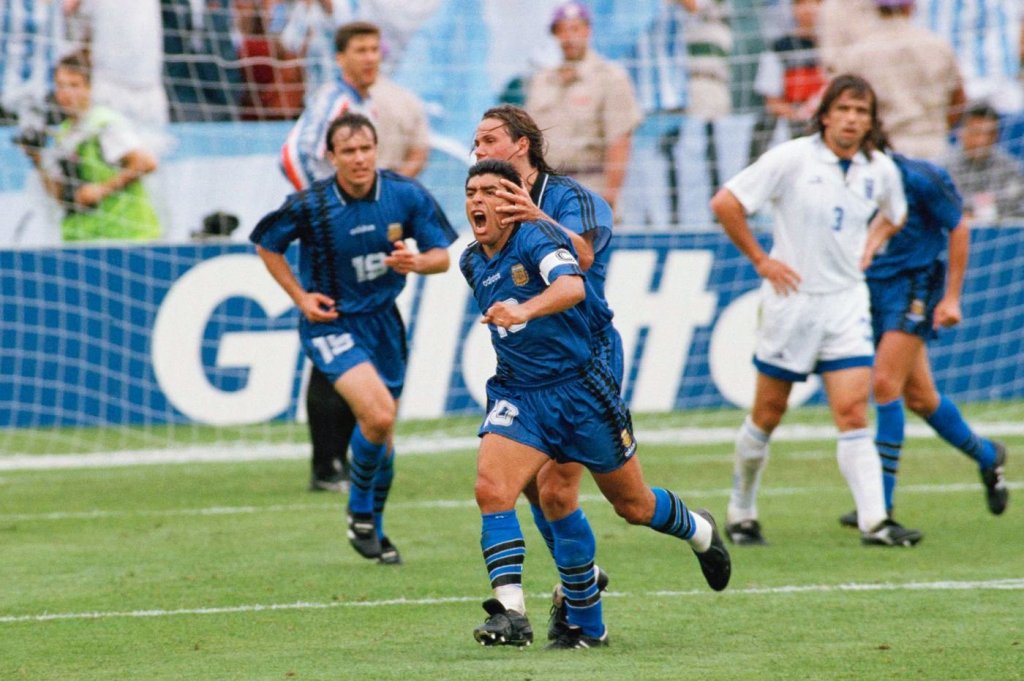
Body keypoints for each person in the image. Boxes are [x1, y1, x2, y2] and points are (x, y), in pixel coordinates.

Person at [461, 158, 731, 650]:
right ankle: (512, 612)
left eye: (490, 191)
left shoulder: (537, 239)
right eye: (471, 192)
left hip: (581, 393)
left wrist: (524, 309)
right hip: (519, 392)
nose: (478, 200)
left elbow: (571, 286)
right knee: (492, 489)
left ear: (515, 200)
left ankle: (697, 529)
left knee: (633, 505)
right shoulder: (471, 260)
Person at [709, 74, 921, 548]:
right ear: (825, 115)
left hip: (846, 302)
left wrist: (872, 244)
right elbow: (725, 203)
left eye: (861, 112)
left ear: (871, 121)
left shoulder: (880, 169)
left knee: (852, 412)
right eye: (843, 109)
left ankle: (875, 522)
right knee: (768, 413)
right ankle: (741, 510)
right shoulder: (792, 158)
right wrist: (761, 260)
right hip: (793, 302)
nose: (851, 119)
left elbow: (896, 213)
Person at [250, 112, 457, 563]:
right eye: (348, 151)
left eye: (365, 149)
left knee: (383, 437)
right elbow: (267, 244)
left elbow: (442, 256)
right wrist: (300, 297)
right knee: (379, 416)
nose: (359, 158)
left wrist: (417, 262)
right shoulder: (311, 204)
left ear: (376, 150)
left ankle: (373, 529)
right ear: (332, 157)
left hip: (384, 323)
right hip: (332, 322)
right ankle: (360, 511)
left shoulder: (404, 194)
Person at [473, 103, 620, 644]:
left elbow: (582, 261)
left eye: (489, 140)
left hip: (586, 358)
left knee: (566, 490)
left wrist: (536, 218)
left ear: (522, 144)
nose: (479, 150)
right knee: (532, 490)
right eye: (476, 143)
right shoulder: (488, 203)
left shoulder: (570, 199)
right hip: (532, 369)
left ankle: (691, 531)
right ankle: (579, 583)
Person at [279, 20, 431, 492]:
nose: (369, 58)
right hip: (334, 238)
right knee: (335, 335)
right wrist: (327, 211)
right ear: (340, 57)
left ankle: (334, 463)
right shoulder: (335, 101)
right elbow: (293, 156)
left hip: (354, 235)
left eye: (374, 49)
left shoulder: (362, 102)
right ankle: (327, 464)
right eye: (359, 50)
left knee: (345, 341)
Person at [836, 147, 1009, 531]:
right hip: (867, 290)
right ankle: (987, 455)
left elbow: (959, 227)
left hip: (914, 287)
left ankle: (880, 507)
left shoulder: (918, 177)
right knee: (920, 398)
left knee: (884, 383)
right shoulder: (837, 176)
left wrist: (952, 297)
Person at [16, 51, 161, 242]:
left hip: (126, 237)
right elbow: (61, 197)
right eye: (61, 86)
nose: (66, 94)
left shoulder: (103, 124)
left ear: (89, 88)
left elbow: (147, 162)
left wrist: (101, 189)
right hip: (83, 239)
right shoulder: (63, 133)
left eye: (74, 85)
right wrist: (37, 159)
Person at [525, 0, 642, 213]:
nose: (568, 37)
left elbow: (619, 141)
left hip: (590, 185)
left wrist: (609, 197)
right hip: (547, 189)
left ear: (587, 30)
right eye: (561, 30)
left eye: (574, 28)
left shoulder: (610, 77)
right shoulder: (542, 80)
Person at [829, 0, 965, 161]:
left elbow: (839, 99)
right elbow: (959, 99)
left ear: (875, 8)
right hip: (933, 145)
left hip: (883, 149)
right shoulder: (938, 46)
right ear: (910, 6)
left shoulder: (858, 52)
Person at [750, 0, 825, 159]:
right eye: (802, 3)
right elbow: (772, 102)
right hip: (793, 124)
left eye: (816, 2)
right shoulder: (780, 47)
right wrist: (800, 114)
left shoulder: (836, 45)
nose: (809, 9)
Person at [943, 101, 1024, 222]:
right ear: (961, 132)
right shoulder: (943, 168)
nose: (982, 141)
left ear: (997, 135)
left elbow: (1019, 209)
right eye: (976, 133)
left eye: (989, 134)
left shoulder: (1009, 167)